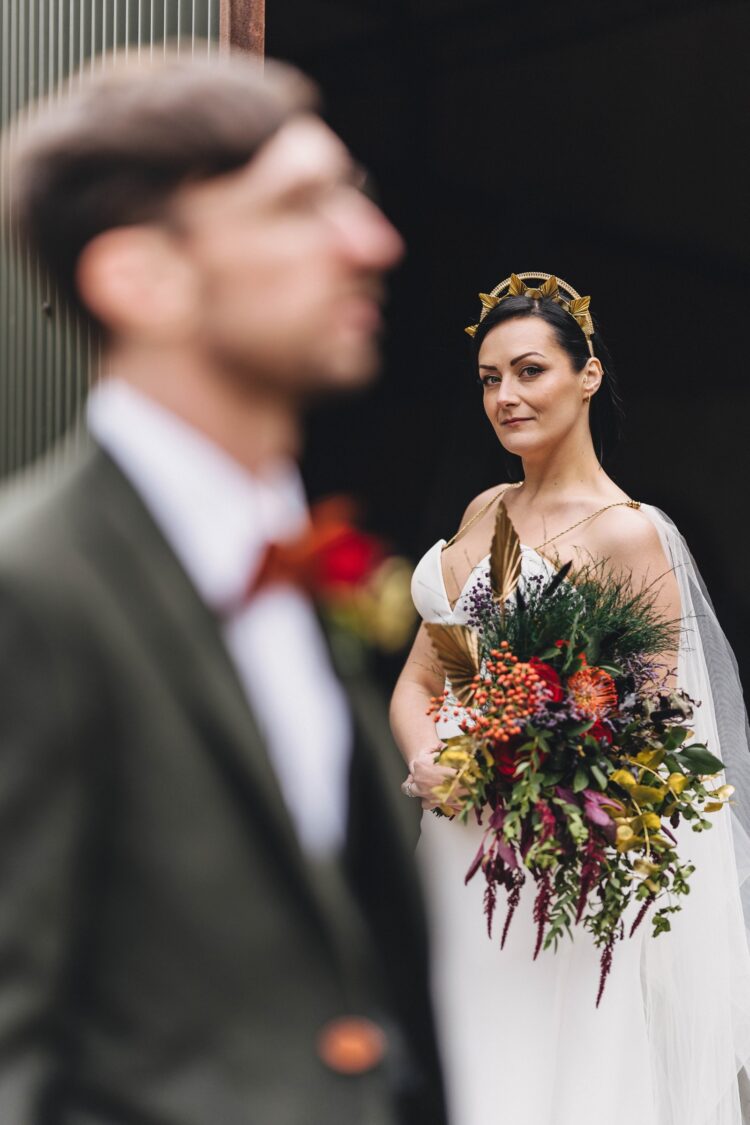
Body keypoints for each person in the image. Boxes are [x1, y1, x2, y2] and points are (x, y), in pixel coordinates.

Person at [0, 52, 447, 1125]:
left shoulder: (300, 559)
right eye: (300, 205)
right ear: (141, 279)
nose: (371, 244)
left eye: (355, 196)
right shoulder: (29, 591)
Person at [390, 271, 750, 1125]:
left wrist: (523, 775)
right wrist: (427, 758)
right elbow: (420, 680)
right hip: (452, 846)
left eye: (529, 370)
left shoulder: (631, 531)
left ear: (587, 376)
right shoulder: (486, 510)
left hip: (556, 867)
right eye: (489, 379)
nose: (506, 396)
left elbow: (660, 726)